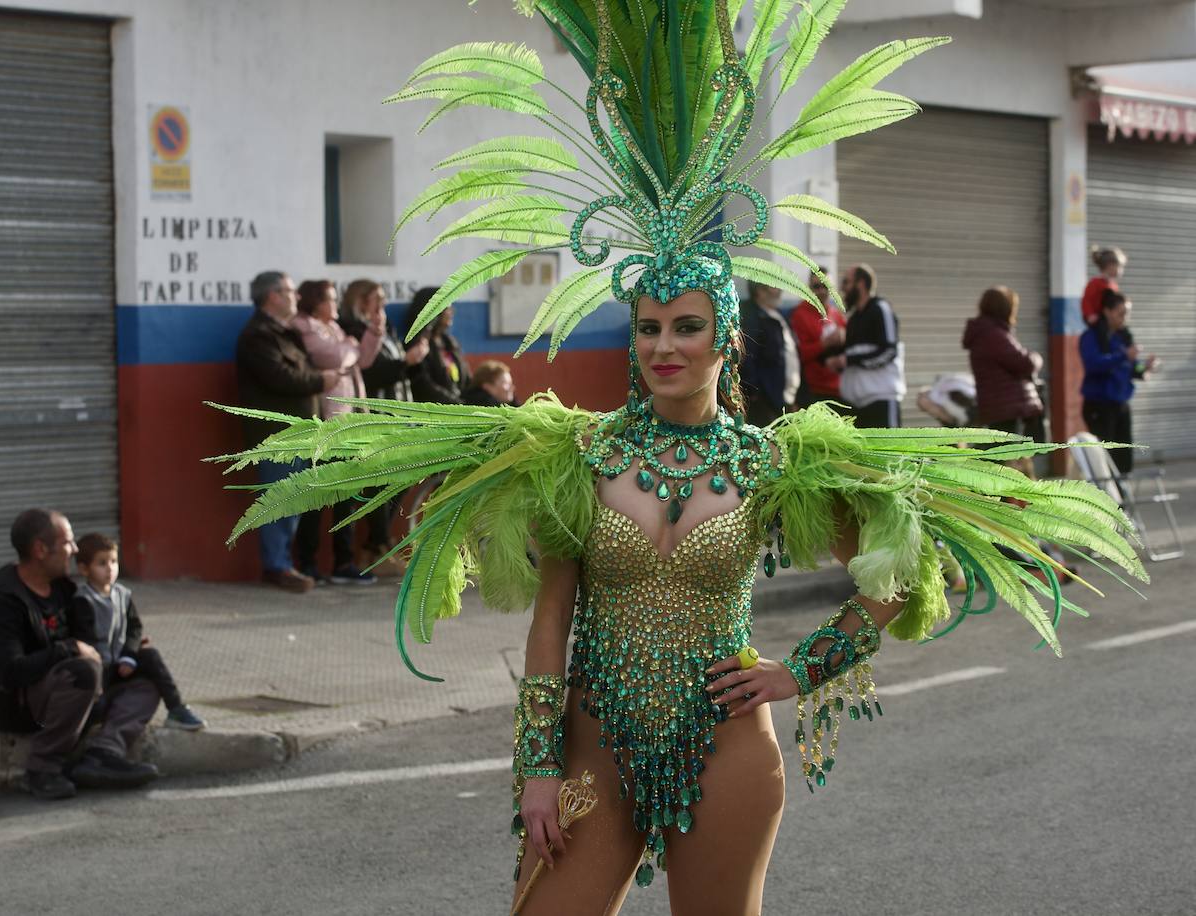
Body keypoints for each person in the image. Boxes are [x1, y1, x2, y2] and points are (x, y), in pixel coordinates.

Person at [218, 8, 1143, 913]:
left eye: (686, 327)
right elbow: (551, 623)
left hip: (728, 743)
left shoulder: (775, 462)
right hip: (594, 741)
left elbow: (899, 568)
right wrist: (537, 765)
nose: (664, 346)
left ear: (724, 340)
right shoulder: (580, 453)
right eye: (649, 327)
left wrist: (800, 670)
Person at [0, 510, 160, 800]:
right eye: (67, 542)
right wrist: (69, 649)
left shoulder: (63, 590)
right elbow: (10, 672)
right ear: (40, 550)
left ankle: (102, 753)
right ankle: (42, 768)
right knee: (83, 672)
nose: (75, 549)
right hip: (15, 705)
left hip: (70, 694)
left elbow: (89, 638)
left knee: (147, 672)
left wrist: (123, 647)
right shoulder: (2, 602)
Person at [235, 271, 338, 594]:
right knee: (278, 500)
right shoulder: (258, 336)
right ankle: (276, 566)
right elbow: (280, 377)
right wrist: (321, 380)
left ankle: (283, 563)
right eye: (291, 291)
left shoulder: (285, 332)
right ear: (273, 296)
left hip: (300, 434)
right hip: (278, 437)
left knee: (293, 502)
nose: (297, 297)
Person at [291, 279, 382, 585]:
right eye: (329, 299)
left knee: (347, 494)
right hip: (327, 423)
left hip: (350, 422)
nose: (335, 304)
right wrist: (351, 347)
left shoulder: (335, 329)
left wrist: (373, 332)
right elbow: (334, 358)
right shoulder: (304, 326)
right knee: (317, 496)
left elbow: (363, 359)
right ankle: (307, 562)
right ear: (315, 302)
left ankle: (344, 561)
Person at [71, 532, 206, 731]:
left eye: (114, 562)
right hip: (98, 669)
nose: (110, 568)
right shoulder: (83, 600)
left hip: (121, 662)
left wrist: (129, 655)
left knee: (151, 656)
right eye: (102, 563)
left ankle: (176, 708)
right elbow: (84, 638)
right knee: (97, 707)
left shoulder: (122, 595)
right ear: (84, 569)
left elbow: (134, 627)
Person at [339, 280, 430, 569]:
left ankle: (376, 543)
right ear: (360, 302)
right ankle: (377, 545)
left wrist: (414, 361)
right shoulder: (354, 330)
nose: (383, 306)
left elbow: (400, 369)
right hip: (375, 415)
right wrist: (406, 361)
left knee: (402, 476)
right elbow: (372, 373)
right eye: (376, 300)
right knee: (378, 482)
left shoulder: (387, 330)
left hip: (398, 414)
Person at [1080, 289, 1155, 474]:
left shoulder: (1123, 338)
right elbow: (1093, 364)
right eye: (1121, 313)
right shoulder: (1091, 337)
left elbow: (1133, 367)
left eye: (1127, 313)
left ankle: (1122, 491)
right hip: (1100, 406)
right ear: (1107, 311)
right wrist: (1123, 356)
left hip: (1121, 404)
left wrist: (1144, 368)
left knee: (1124, 459)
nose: (1125, 318)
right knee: (1105, 461)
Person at [826, 264, 905, 427]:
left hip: (881, 401)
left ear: (860, 284)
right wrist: (834, 357)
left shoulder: (880, 308)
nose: (842, 288)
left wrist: (847, 360)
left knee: (889, 444)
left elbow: (889, 351)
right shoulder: (853, 319)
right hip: (857, 406)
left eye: (846, 282)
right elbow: (852, 355)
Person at [962, 286, 1044, 442]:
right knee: (1009, 453)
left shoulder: (989, 332)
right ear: (1005, 308)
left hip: (1001, 407)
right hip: (1008, 409)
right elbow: (1024, 363)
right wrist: (1036, 358)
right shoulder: (993, 334)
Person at [736, 280, 798, 427]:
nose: (780, 290)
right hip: (766, 401)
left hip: (785, 397)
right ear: (760, 291)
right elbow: (747, 356)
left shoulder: (778, 315)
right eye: (774, 286)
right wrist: (755, 393)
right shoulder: (752, 316)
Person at [788, 270, 846, 407]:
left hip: (839, 389)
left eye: (825, 286)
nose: (821, 291)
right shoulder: (799, 314)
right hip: (813, 390)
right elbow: (798, 354)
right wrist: (824, 344)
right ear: (809, 288)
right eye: (816, 287)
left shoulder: (836, 314)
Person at [405, 286, 468, 404]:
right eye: (447, 306)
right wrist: (457, 404)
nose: (452, 311)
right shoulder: (418, 345)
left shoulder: (449, 342)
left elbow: (466, 378)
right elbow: (423, 386)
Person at [1081, 246, 1126, 330]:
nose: (1121, 270)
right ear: (1109, 266)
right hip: (1096, 319)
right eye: (1119, 266)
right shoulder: (1095, 283)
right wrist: (1090, 315)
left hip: (1109, 318)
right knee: (1103, 332)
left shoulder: (1113, 286)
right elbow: (1086, 301)